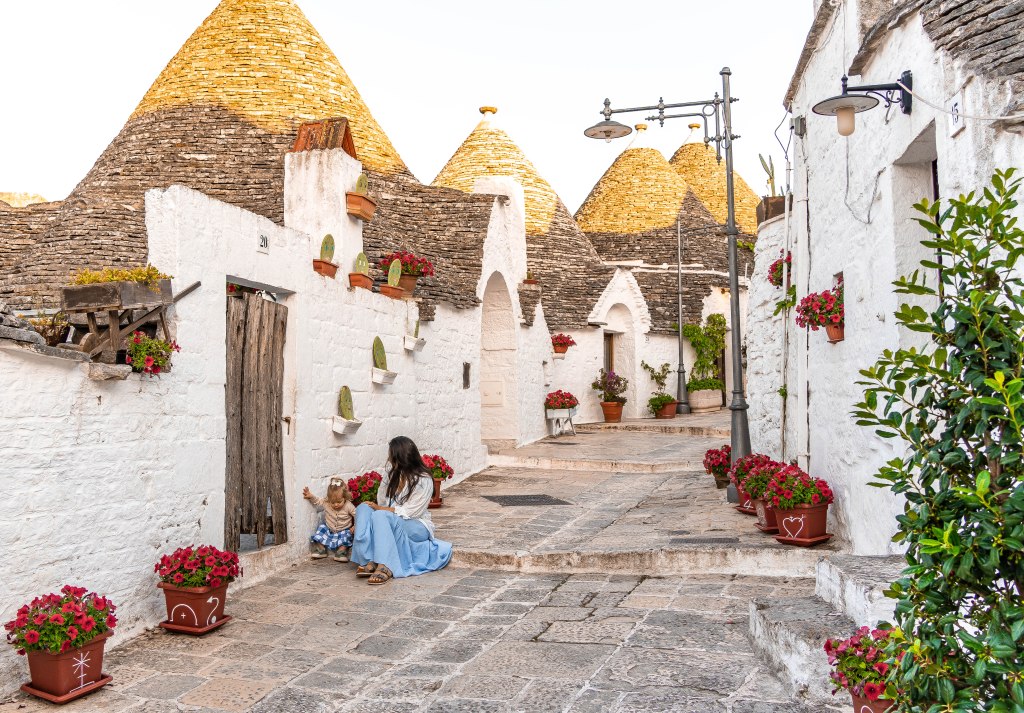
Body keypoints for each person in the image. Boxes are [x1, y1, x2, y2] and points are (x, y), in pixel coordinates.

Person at [352, 436, 453, 584]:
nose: (388, 458)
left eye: (391, 454)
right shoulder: (391, 474)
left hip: (416, 524)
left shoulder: (423, 479)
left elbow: (412, 512)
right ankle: (368, 558)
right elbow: (382, 498)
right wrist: (375, 512)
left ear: (400, 457)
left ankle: (386, 565)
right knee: (363, 508)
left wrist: (381, 509)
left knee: (380, 515)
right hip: (389, 517)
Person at [302, 478, 356, 562]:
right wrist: (310, 496)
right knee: (321, 528)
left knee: (348, 535)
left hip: (343, 530)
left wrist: (355, 526)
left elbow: (357, 515)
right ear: (329, 499)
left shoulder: (348, 505)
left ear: (344, 497)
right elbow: (318, 501)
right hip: (329, 530)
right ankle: (321, 549)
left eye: (339, 501)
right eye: (333, 502)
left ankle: (341, 552)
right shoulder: (326, 502)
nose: (336, 504)